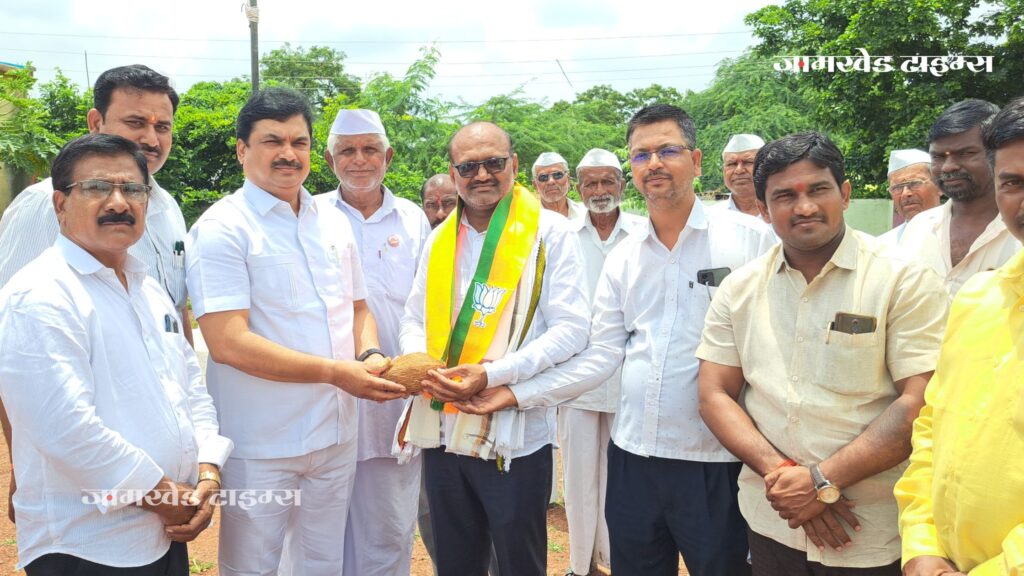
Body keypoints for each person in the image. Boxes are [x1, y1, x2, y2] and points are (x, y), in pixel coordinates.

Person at [456, 104, 774, 576]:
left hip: (716, 458)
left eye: (668, 150)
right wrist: (515, 393)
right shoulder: (626, 257)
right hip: (633, 459)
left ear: (697, 160)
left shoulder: (751, 241)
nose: (655, 163)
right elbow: (602, 353)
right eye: (642, 155)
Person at [696, 131, 948, 575]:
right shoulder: (739, 288)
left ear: (845, 194)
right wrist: (790, 479)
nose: (805, 207)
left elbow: (919, 402)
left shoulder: (902, 280)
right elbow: (714, 393)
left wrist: (822, 481)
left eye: (818, 189)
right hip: (774, 519)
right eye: (785, 196)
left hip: (870, 530)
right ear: (762, 208)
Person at [186, 88, 405, 576]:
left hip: (334, 435)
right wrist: (335, 372)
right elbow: (228, 342)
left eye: (299, 142)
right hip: (262, 442)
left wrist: (368, 352)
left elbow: (358, 306)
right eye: (272, 141)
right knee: (253, 566)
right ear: (243, 150)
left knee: (321, 562)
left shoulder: (331, 221)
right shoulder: (223, 228)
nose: (288, 154)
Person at [0, 133, 233, 574]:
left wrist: (207, 472)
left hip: (165, 531)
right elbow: (64, 428)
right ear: (59, 204)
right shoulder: (40, 294)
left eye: (132, 189)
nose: (118, 202)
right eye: (95, 188)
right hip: (86, 545)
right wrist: (165, 495)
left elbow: (189, 390)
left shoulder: (148, 289)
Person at [395, 121, 590, 576]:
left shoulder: (548, 233)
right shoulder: (439, 239)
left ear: (514, 165)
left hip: (511, 437)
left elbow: (572, 330)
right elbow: (413, 319)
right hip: (441, 427)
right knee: (455, 561)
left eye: (493, 163)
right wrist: (422, 368)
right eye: (469, 166)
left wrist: (493, 374)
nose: (482, 175)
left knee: (518, 562)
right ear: (453, 171)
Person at [0, 64, 191, 522]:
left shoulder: (165, 208)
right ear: (95, 123)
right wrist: (23, 453)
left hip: (159, 470)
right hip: (82, 474)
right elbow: (12, 338)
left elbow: (175, 318)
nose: (151, 137)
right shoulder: (46, 203)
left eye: (161, 126)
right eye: (135, 122)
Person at [895, 96, 1024, 576]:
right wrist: (922, 548)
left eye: (963, 153)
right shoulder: (979, 300)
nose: (949, 165)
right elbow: (934, 427)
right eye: (1015, 182)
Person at [316, 108, 430, 576]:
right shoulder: (309, 216)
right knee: (319, 532)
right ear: (329, 159)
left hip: (392, 400)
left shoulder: (414, 220)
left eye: (369, 150)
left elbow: (425, 307)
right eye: (347, 151)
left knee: (388, 527)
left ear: (389, 156)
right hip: (327, 397)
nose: (359, 160)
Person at [558, 147, 645, 576]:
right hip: (576, 376)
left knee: (622, 478)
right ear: (579, 188)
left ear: (622, 186)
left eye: (607, 181)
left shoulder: (644, 233)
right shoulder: (561, 235)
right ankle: (580, 565)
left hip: (630, 376)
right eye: (590, 182)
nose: (599, 191)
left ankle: (614, 561)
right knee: (578, 479)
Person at [899, 99, 1021, 296]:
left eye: (965, 153)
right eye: (938, 157)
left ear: (995, 154)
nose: (948, 166)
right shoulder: (919, 228)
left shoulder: (1018, 231)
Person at [878, 149, 942, 245]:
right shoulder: (883, 246)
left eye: (914, 183)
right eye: (897, 187)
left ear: (939, 186)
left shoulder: (962, 234)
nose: (905, 193)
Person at [709, 133, 765, 218]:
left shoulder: (782, 211)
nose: (739, 170)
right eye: (732, 164)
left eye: (748, 162)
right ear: (724, 170)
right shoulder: (712, 217)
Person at [533, 151, 585, 219]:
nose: (551, 181)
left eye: (557, 175)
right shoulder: (527, 219)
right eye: (543, 177)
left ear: (568, 179)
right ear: (535, 185)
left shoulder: (585, 213)